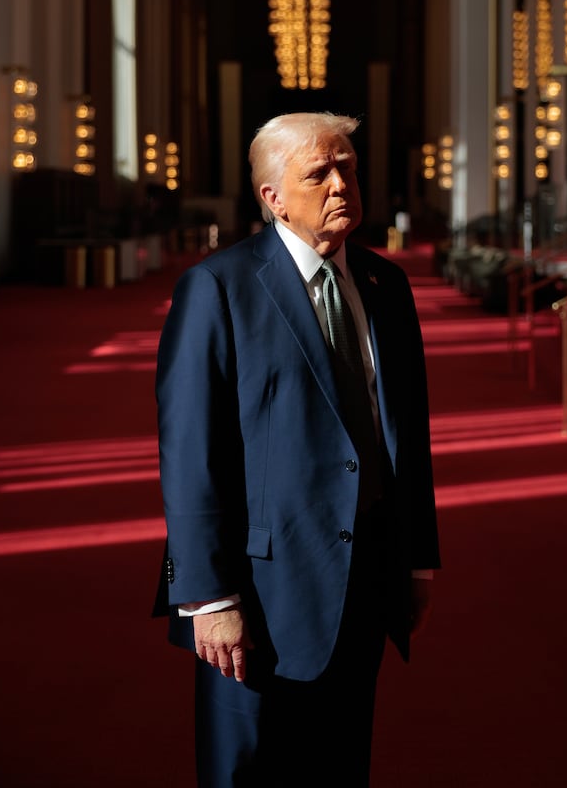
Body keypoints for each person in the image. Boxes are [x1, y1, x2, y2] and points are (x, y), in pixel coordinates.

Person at [153, 111, 440, 786]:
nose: (342, 183)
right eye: (319, 172)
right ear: (272, 197)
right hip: (258, 586)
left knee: (341, 761)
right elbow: (190, 449)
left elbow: (409, 433)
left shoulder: (386, 286)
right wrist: (206, 595)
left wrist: (417, 557)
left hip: (366, 569)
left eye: (348, 166)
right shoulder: (218, 288)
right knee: (249, 769)